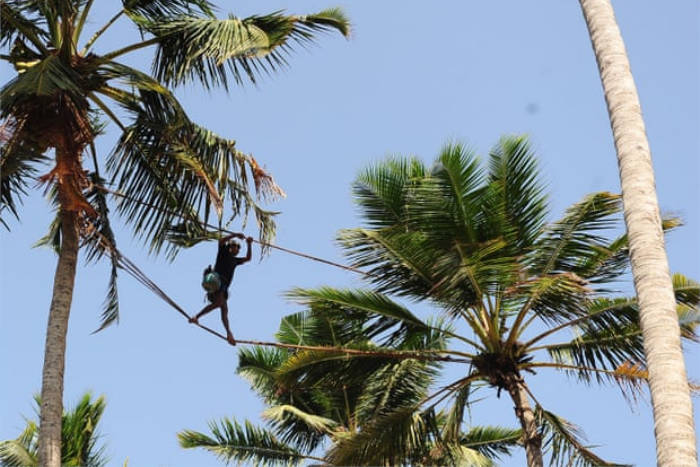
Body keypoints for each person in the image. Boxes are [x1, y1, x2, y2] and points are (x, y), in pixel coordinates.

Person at [189, 232, 253, 345]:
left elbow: (248, 258)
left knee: (224, 310)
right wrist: (235, 235)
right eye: (235, 247)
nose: (237, 249)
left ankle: (229, 334)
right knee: (219, 304)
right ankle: (196, 317)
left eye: (239, 248)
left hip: (223, 287)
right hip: (217, 283)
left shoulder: (235, 260)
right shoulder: (223, 252)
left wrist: (249, 244)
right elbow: (221, 241)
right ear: (230, 247)